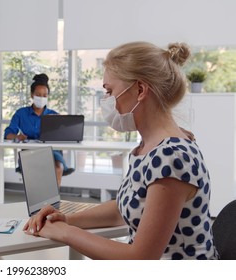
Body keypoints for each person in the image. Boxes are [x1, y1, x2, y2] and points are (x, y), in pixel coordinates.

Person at [24, 42, 219, 259]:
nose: (105, 100)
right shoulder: (147, 149)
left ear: (140, 90)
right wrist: (66, 220)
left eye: (109, 91)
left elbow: (140, 258)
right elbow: (123, 209)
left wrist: (66, 233)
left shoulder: (171, 156)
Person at [4, 74, 74, 187]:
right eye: (38, 95)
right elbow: (8, 134)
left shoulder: (54, 115)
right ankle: (37, 200)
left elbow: (63, 136)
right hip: (29, 151)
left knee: (58, 167)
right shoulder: (21, 113)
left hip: (51, 151)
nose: (41, 98)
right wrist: (17, 137)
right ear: (32, 95)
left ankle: (52, 202)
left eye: (45, 95)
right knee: (34, 171)